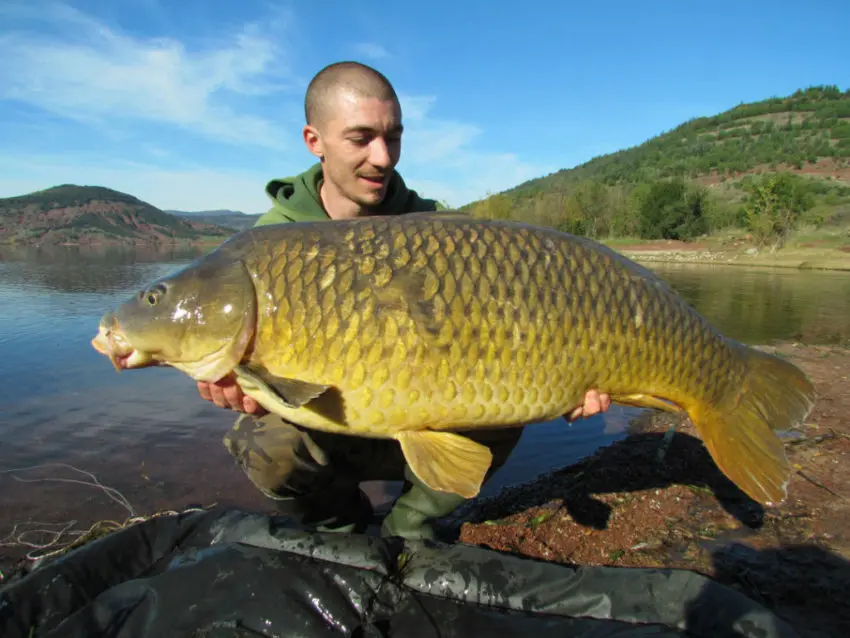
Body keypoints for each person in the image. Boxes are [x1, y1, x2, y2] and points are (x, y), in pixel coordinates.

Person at [197, 61, 612, 540]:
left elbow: (514, 325)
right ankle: (341, 531)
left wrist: (571, 375)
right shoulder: (267, 246)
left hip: (429, 416)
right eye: (361, 138)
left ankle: (410, 528)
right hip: (328, 426)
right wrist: (232, 381)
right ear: (315, 141)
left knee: (506, 401)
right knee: (261, 442)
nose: (383, 157)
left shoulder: (438, 230)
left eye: (392, 137)